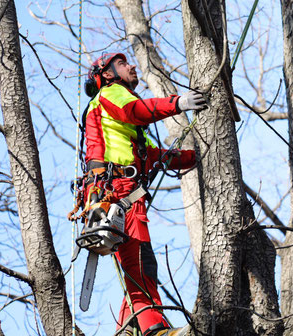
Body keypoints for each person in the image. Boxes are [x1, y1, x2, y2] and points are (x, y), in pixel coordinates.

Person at [82, 52, 205, 336]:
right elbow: (136, 111)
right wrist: (179, 103)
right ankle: (154, 330)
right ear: (108, 74)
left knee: (136, 264)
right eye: (123, 63)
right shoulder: (111, 94)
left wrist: (193, 157)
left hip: (123, 193)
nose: (132, 66)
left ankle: (126, 330)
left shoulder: (125, 130)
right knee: (140, 264)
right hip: (117, 193)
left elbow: (152, 156)